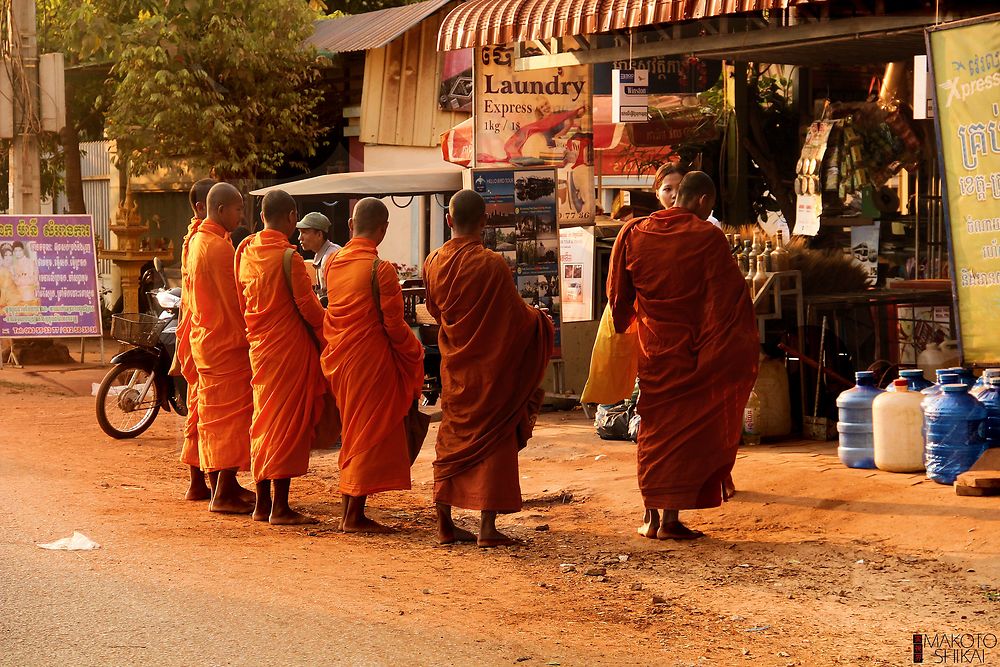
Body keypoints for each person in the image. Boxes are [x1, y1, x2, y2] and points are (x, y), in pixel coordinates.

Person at [607, 171, 758, 540]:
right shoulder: (707, 236)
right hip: (690, 353)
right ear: (704, 201)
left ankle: (650, 518)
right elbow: (727, 304)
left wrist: (632, 320)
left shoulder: (633, 232)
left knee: (653, 429)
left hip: (652, 348)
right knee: (682, 435)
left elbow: (618, 297)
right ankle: (670, 519)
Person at [424, 190, 553, 547]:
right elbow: (513, 316)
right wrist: (539, 320)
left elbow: (437, 312)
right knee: (494, 437)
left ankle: (445, 524)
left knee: (451, 439)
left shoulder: (433, 260)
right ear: (484, 222)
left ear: (449, 220)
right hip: (490, 370)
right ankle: (487, 528)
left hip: (456, 366)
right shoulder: (491, 263)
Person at [320, 198, 423, 533]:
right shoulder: (381, 270)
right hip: (371, 361)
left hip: (342, 359)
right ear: (383, 230)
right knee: (367, 433)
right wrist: (415, 351)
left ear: (351, 225)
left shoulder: (333, 263)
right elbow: (394, 326)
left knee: (354, 431)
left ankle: (350, 507)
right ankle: (353, 516)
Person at [235, 189, 327, 525]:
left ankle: (262, 505)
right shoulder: (290, 259)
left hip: (260, 349)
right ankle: (281, 507)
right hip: (289, 351)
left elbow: (242, 300)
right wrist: (332, 331)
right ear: (291, 218)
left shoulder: (246, 253)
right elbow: (309, 309)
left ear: (261, 217)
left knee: (263, 420)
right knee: (286, 425)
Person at [185, 182, 256, 514]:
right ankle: (223, 493)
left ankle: (224, 485)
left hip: (206, 339)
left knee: (213, 417)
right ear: (221, 210)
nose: (241, 215)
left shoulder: (199, 240)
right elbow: (236, 301)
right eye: (239, 209)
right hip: (225, 343)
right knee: (230, 418)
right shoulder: (219, 248)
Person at [175, 178, 215, 501]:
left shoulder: (196, 238)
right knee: (204, 408)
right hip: (203, 332)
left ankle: (204, 480)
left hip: (197, 330)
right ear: (203, 207)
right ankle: (205, 481)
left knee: (200, 407)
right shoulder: (200, 241)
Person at [296, 212, 341, 307]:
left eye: (304, 232)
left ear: (319, 235)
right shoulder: (322, 254)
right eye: (300, 232)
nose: (300, 238)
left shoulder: (329, 256)